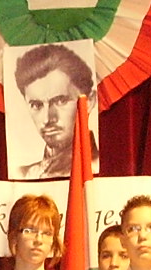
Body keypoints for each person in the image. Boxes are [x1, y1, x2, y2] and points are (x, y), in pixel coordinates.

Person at [13, 44, 95, 179]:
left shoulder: (97, 167)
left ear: (89, 102)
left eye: (60, 101)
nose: (47, 119)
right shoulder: (24, 174)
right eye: (37, 105)